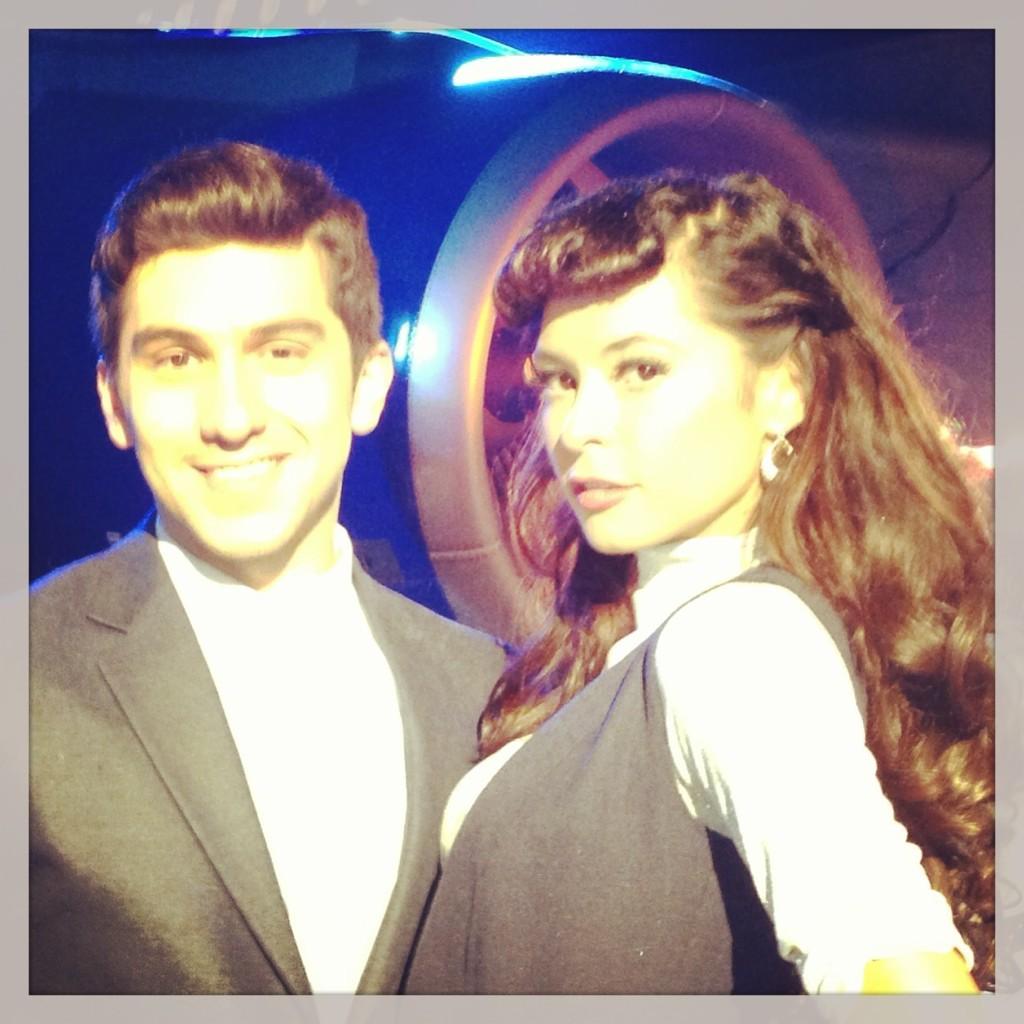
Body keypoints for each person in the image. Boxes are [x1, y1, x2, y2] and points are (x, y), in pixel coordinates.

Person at [405, 171, 994, 994]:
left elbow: (897, 970)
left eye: (642, 370)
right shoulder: (639, 645)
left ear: (783, 389)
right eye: (559, 381)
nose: (579, 427)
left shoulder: (736, 643)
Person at [29, 141, 507, 994]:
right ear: (114, 401)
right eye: (177, 360)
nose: (231, 416)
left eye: (281, 352)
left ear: (368, 384)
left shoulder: (478, 688)